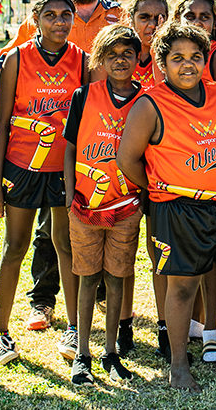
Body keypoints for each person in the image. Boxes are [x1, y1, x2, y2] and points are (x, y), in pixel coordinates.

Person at [116, 21, 216, 392]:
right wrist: (157, 189)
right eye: (177, 58)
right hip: (177, 207)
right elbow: (126, 159)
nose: (188, 65)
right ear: (161, 63)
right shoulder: (150, 104)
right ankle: (179, 366)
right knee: (182, 288)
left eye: (196, 57)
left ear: (205, 61)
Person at [1, 0, 122, 335]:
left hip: (79, 155)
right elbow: (4, 87)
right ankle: (39, 301)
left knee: (74, 235)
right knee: (34, 239)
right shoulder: (25, 41)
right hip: (26, 161)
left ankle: (83, 317)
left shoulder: (115, 18)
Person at [0, 0, 87, 364]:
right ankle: (1, 333)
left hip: (62, 168)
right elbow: (1, 125)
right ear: (35, 18)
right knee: (14, 247)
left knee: (65, 246)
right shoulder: (16, 58)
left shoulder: (82, 61)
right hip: (21, 166)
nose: (59, 22)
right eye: (51, 15)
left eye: (66, 15)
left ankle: (75, 328)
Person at [62, 24, 144, 385]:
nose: (121, 60)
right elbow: (68, 146)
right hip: (85, 203)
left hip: (126, 204)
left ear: (138, 57)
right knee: (87, 277)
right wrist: (68, 192)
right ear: (101, 59)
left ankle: (111, 351)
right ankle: (82, 353)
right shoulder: (84, 96)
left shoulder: (146, 99)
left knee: (116, 277)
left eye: (127, 53)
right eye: (112, 54)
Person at [171, 0, 216, 359]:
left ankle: (211, 327)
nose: (197, 22)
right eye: (190, 15)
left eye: (205, 16)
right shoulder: (166, 53)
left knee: (211, 254)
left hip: (211, 167)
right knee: (177, 256)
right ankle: (186, 325)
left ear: (215, 23)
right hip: (170, 170)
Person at [119, 0, 168, 356]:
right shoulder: (119, 57)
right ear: (131, 19)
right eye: (145, 18)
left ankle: (166, 325)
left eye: (160, 17)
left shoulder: (172, 59)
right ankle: (123, 325)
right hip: (121, 167)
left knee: (159, 251)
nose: (153, 25)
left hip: (162, 170)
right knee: (123, 250)